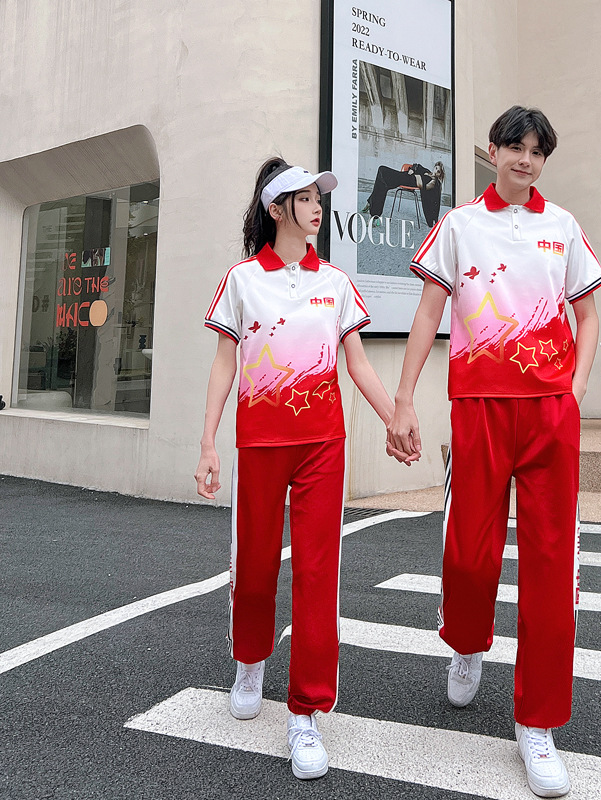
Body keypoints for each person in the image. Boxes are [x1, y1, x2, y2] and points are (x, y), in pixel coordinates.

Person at [387, 106, 601, 798]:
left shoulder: (561, 226)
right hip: (478, 407)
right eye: (516, 146)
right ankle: (467, 642)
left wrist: (573, 391)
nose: (526, 160)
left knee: (550, 568)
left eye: (538, 151)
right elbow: (429, 312)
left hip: (548, 415)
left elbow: (588, 316)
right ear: (493, 150)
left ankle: (537, 724)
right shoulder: (459, 225)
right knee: (468, 554)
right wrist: (402, 399)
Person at [195, 157, 411, 781]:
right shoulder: (242, 280)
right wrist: (208, 443)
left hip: (322, 446)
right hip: (260, 444)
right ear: (276, 209)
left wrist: (395, 417)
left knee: (318, 575)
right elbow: (224, 365)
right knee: (255, 565)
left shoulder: (336, 282)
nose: (318, 206)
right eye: (306, 197)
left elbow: (357, 364)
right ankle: (250, 661)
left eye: (320, 197)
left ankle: (307, 712)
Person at [363, 161, 445, 227]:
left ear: (440, 174)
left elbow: (430, 196)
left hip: (407, 181)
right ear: (434, 167)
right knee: (382, 183)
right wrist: (413, 169)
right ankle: (374, 212)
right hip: (404, 175)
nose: (435, 172)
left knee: (382, 172)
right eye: (436, 168)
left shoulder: (434, 182)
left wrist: (433, 219)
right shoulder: (427, 171)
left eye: (438, 171)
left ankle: (372, 206)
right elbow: (417, 165)